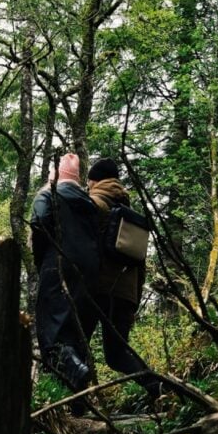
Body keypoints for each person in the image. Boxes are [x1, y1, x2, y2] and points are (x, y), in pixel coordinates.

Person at [79, 157, 163, 401]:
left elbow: (80, 249)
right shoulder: (132, 217)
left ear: (94, 181)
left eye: (89, 181)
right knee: (117, 354)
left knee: (77, 346)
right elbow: (140, 267)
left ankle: (78, 404)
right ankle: (158, 386)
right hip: (125, 296)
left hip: (96, 290)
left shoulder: (93, 205)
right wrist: (133, 301)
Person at [30, 153, 99, 396]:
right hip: (90, 272)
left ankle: (76, 374)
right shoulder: (90, 203)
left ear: (56, 176)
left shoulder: (49, 193)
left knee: (51, 331)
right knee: (77, 332)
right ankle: (78, 399)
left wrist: (43, 260)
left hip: (58, 263)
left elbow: (38, 222)